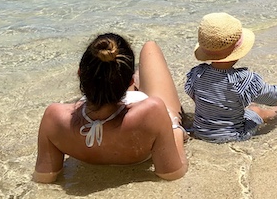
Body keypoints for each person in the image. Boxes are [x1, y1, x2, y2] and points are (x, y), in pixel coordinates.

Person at [33, 34, 188, 182]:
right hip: (134, 111)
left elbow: (45, 177)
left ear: (80, 74)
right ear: (129, 82)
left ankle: (123, 78)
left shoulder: (54, 117)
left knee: (133, 73)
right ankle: (127, 78)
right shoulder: (153, 111)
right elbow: (172, 174)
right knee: (150, 47)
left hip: (100, 103)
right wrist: (175, 131)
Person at [185, 12, 277, 142]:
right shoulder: (243, 80)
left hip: (201, 132)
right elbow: (272, 96)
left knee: (244, 102)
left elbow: (194, 95)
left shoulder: (197, 74)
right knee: (255, 110)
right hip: (233, 135)